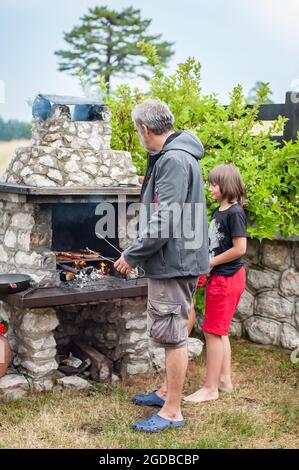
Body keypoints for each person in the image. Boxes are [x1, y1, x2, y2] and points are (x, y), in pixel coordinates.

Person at [114, 99, 209, 432]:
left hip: (174, 261)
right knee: (173, 329)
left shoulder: (174, 160)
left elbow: (166, 218)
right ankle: (166, 391)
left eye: (135, 129)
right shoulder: (175, 156)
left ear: (144, 129)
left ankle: (171, 411)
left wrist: (132, 255)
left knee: (173, 337)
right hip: (179, 258)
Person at [184, 164, 247, 403]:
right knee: (219, 331)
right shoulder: (219, 211)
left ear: (226, 185)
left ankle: (210, 388)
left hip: (227, 279)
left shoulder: (234, 212)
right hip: (219, 277)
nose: (210, 188)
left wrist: (210, 263)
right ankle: (224, 380)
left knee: (212, 331)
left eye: (213, 184)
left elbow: (240, 248)